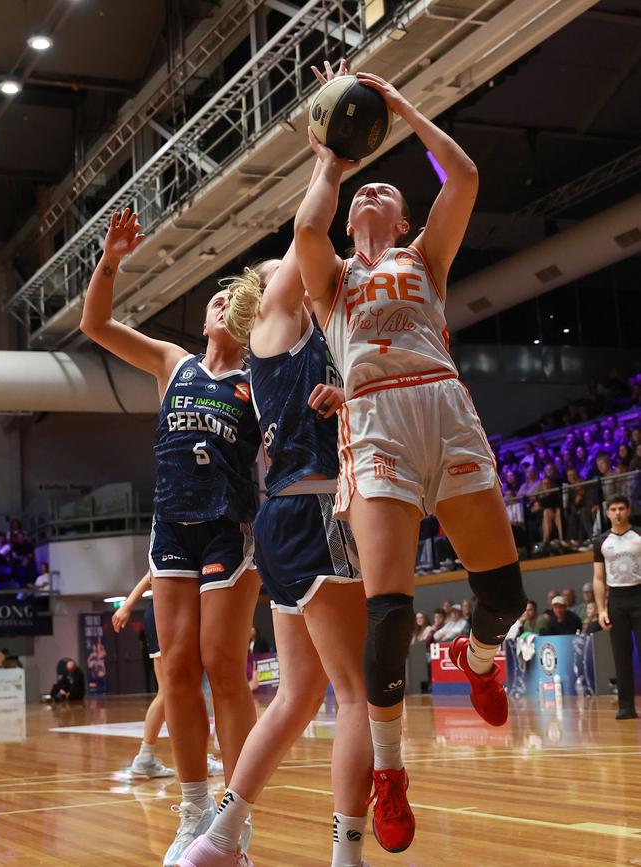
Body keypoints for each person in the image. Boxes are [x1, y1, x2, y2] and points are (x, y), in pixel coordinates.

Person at [295, 69, 526, 853]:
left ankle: (479, 654)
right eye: (365, 192)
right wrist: (331, 160)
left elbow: (461, 175)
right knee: (389, 607)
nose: (371, 196)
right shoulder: (332, 283)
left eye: (384, 193)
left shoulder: (427, 258)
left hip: (445, 407)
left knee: (505, 591)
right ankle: (390, 773)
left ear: (402, 218)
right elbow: (302, 234)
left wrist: (402, 110)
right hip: (378, 420)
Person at [180, 63, 373, 866]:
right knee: (358, 692)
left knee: (297, 694)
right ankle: (346, 855)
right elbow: (307, 230)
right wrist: (327, 152)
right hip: (320, 510)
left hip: (282, 522)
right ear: (274, 291)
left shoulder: (278, 342)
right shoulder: (283, 315)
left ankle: (218, 837)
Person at [80, 209, 261, 866]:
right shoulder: (173, 362)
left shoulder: (257, 381)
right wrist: (111, 261)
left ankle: (235, 815)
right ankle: (193, 806)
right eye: (213, 298)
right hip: (171, 526)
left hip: (230, 527)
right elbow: (94, 325)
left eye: (229, 299)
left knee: (223, 665)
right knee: (177, 667)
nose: (218, 302)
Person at [112, 571, 175, 779]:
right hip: (166, 612)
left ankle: (146, 757)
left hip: (167, 611)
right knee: (169, 693)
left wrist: (127, 606)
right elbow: (151, 574)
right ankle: (145, 757)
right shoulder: (174, 543)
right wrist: (127, 605)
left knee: (172, 694)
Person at [593, 495, 641, 719]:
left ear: (628, 510)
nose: (618, 512)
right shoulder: (601, 541)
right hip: (617, 600)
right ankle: (626, 707)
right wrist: (602, 609)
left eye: (622, 508)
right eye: (613, 509)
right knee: (621, 655)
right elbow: (599, 578)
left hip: (638, 593)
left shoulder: (639, 535)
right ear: (608, 513)